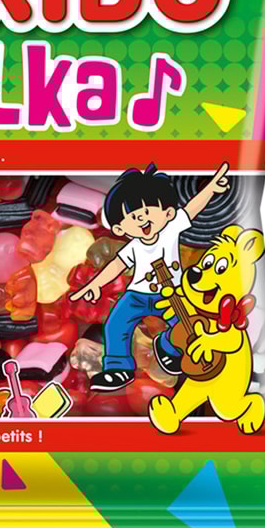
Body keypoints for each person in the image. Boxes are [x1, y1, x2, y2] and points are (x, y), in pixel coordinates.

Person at [69, 163, 229, 392]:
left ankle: (168, 349)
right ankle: (118, 368)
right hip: (137, 295)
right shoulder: (133, 246)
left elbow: (192, 209)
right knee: (116, 323)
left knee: (185, 324)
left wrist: (211, 189)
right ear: (119, 228)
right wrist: (95, 284)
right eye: (133, 217)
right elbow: (117, 265)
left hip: (171, 293)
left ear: (168, 213)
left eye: (147, 213)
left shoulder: (171, 230)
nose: (142, 220)